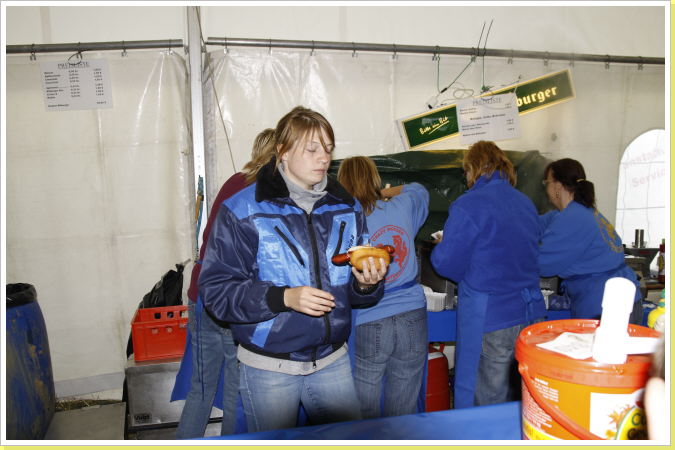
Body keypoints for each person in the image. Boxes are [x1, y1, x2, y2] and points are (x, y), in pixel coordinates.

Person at [198, 106, 387, 432]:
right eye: (312, 149)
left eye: (328, 149)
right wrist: (283, 297)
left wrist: (367, 283)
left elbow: (354, 292)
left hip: (332, 360)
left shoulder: (347, 207)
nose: (324, 158)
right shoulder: (243, 210)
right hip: (269, 366)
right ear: (282, 152)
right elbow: (217, 291)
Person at [175, 128, 276, 439]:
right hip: (232, 298)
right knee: (234, 389)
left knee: (201, 388)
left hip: (202, 292)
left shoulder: (235, 182)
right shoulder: (267, 192)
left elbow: (211, 235)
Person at [430, 140, 546, 409]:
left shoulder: (469, 204)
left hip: (492, 315)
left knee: (483, 399)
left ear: (473, 168)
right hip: (530, 312)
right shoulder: (525, 203)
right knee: (522, 399)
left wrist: (442, 246)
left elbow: (447, 263)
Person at [337, 156, 430, 419]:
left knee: (364, 407)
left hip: (370, 317)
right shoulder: (403, 206)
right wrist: (383, 193)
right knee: (404, 407)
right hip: (412, 311)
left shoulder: (343, 220)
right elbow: (419, 189)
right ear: (375, 179)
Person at [538, 158, 643, 324]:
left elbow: (542, 265)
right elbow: (537, 223)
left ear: (557, 186)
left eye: (547, 183)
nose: (546, 189)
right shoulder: (582, 211)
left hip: (604, 305)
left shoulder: (573, 218)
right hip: (620, 298)